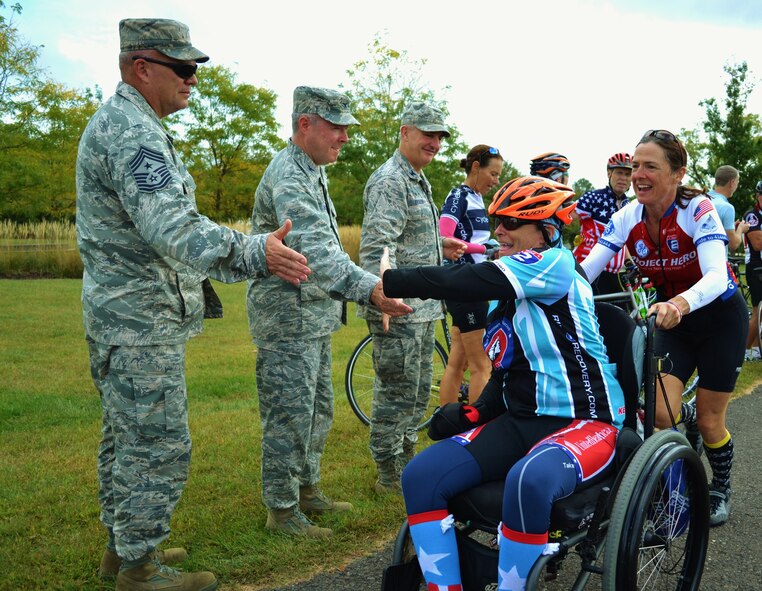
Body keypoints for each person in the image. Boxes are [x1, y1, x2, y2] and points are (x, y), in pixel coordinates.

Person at [76, 19, 311, 591]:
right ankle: (140, 568)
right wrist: (257, 251)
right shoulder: (131, 131)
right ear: (142, 67)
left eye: (195, 69)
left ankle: (124, 546)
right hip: (138, 322)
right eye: (183, 69)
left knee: (126, 437)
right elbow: (174, 229)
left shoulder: (132, 125)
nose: (194, 80)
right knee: (156, 442)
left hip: (129, 317)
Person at [380, 176, 624, 591]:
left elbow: (469, 280)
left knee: (528, 479)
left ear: (548, 230)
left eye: (512, 222)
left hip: (588, 420)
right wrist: (475, 412)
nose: (499, 232)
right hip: (524, 420)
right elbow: (506, 370)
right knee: (421, 474)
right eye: (497, 221)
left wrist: (392, 280)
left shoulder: (556, 264)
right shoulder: (509, 295)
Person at [246, 86, 412, 537]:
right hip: (287, 318)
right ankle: (282, 511)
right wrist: (372, 290)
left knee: (317, 409)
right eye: (336, 127)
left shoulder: (310, 171)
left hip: (310, 315)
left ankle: (306, 490)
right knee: (290, 414)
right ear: (306, 124)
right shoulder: (291, 175)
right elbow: (316, 251)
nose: (344, 137)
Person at [581, 129, 747, 527]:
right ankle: (675, 485)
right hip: (672, 322)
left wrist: (679, 302)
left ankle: (719, 485)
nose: (637, 173)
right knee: (659, 414)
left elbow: (715, 276)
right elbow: (584, 272)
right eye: (635, 165)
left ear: (677, 173)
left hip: (720, 320)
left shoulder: (699, 209)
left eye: (650, 166)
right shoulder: (626, 217)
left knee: (710, 422)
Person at [359, 100, 466, 494]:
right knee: (395, 393)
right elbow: (377, 248)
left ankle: (405, 464)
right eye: (427, 134)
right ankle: (389, 474)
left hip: (420, 309)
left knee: (418, 391)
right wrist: (383, 298)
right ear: (405, 132)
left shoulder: (415, 177)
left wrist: (441, 245)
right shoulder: (391, 180)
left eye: (440, 136)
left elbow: (407, 239)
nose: (435, 142)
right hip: (398, 308)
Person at [438, 145, 503, 404]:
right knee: (482, 365)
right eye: (494, 174)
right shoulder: (459, 196)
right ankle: (473, 428)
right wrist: (486, 250)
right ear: (476, 167)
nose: (496, 181)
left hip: (469, 282)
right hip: (466, 283)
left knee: (459, 361)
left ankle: (447, 419)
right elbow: (445, 236)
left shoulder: (476, 198)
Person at [572, 152, 634, 296]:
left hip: (614, 273)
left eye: (627, 174)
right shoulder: (594, 197)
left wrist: (630, 263)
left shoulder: (628, 205)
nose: (623, 178)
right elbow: (564, 219)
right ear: (609, 173)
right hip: (589, 270)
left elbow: (622, 240)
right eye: (619, 173)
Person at [742, 181, 762, 361]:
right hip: (756, 267)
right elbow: (758, 243)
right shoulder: (752, 216)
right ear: (757, 196)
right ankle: (743, 349)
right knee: (758, 311)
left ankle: (755, 350)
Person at [708, 165, 747, 253]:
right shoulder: (727, 207)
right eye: (737, 182)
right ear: (732, 183)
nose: (737, 186)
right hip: (716, 260)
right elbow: (733, 244)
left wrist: (730, 226)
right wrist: (741, 228)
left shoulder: (701, 199)